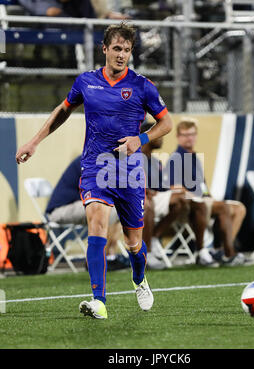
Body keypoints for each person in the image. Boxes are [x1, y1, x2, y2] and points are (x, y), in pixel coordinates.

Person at [15, 22, 173, 319]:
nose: (122, 55)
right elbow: (63, 110)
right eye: (116, 49)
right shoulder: (86, 82)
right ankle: (99, 300)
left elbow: (167, 124)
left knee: (134, 243)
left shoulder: (142, 86)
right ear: (104, 49)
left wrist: (140, 139)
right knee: (97, 222)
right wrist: (34, 142)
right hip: (96, 167)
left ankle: (139, 279)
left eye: (127, 50)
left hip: (129, 171)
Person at [164, 118, 253, 267]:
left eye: (192, 134)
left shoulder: (195, 158)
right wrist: (196, 197)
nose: (189, 138)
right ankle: (229, 254)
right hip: (190, 206)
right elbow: (173, 186)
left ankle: (221, 250)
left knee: (239, 208)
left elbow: (202, 185)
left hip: (204, 201)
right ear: (178, 137)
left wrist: (208, 196)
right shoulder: (176, 158)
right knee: (223, 207)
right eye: (185, 135)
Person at [140, 121, 209, 268]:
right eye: (159, 135)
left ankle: (154, 237)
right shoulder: (134, 158)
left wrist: (175, 189)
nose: (162, 138)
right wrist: (146, 190)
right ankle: (149, 251)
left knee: (184, 201)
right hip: (141, 200)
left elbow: (162, 187)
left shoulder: (156, 162)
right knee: (182, 199)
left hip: (157, 197)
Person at [46, 155, 127, 269]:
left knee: (120, 207)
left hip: (81, 205)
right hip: (61, 209)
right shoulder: (89, 159)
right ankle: (95, 260)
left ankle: (109, 257)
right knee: (108, 208)